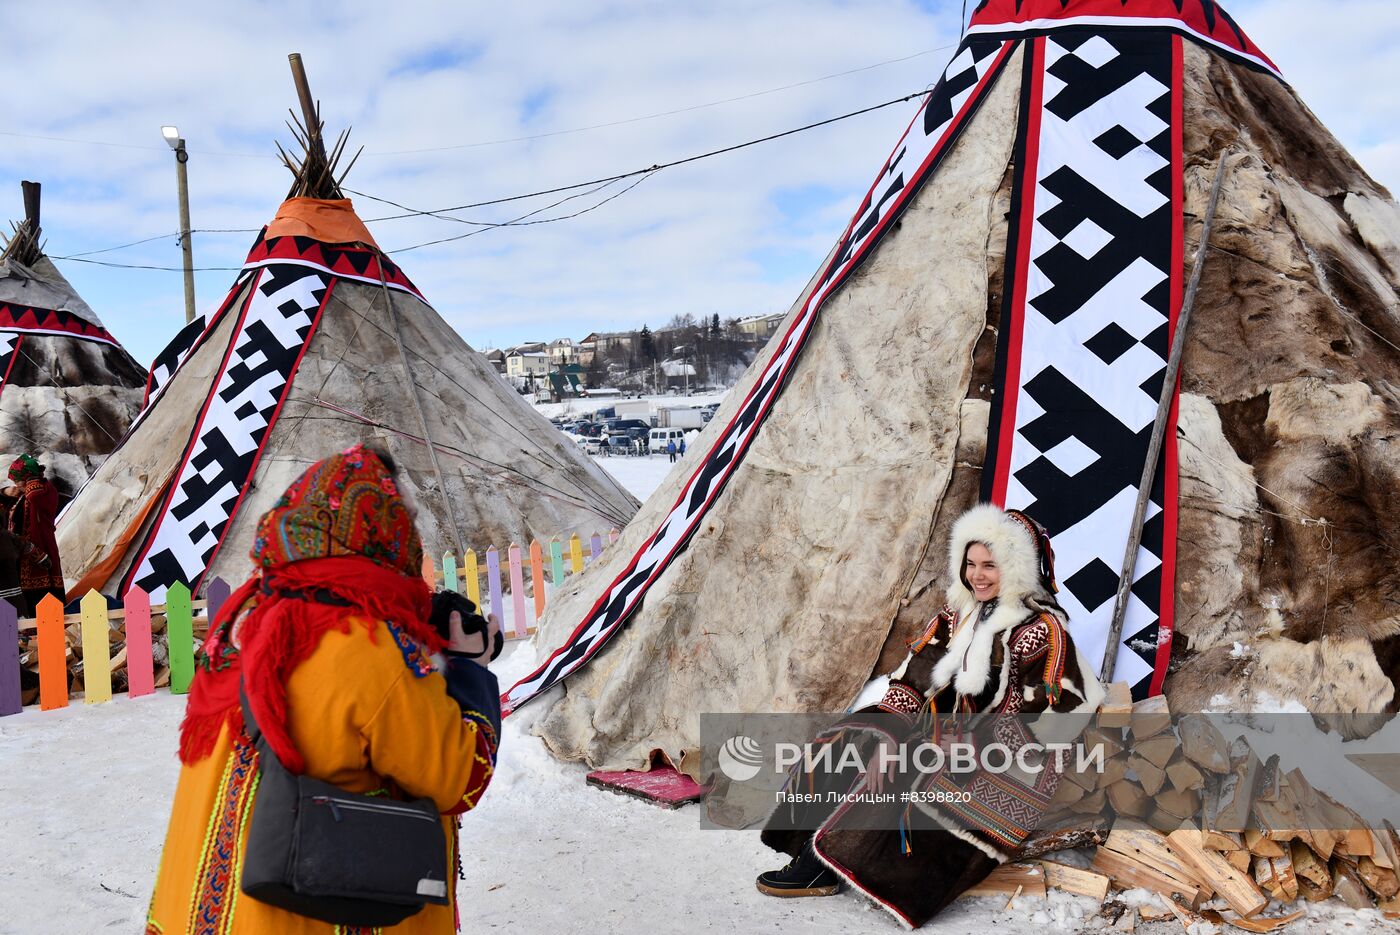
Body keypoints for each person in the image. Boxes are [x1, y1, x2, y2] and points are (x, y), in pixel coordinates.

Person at [145, 444, 501, 934]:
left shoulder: (248, 614)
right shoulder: (367, 645)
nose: (414, 536)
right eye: (405, 519)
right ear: (379, 530)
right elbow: (459, 776)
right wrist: (469, 670)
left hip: (206, 907)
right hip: (312, 912)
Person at [755, 504, 1104, 928]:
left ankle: (823, 863)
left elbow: (1051, 714)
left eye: (990, 565)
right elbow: (912, 680)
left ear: (1015, 568)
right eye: (970, 563)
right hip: (949, 732)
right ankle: (823, 847)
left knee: (912, 767)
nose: (977, 575)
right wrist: (891, 730)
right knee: (859, 735)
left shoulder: (1041, 630)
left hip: (1010, 758)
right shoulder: (956, 617)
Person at [2, 454, 64, 613]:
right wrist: (5, 492)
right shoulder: (21, 497)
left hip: (41, 550)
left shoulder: (44, 491)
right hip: (22, 556)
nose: (15, 484)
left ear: (29, 478)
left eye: (17, 480)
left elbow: (34, 494)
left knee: (44, 602)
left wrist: (31, 478)